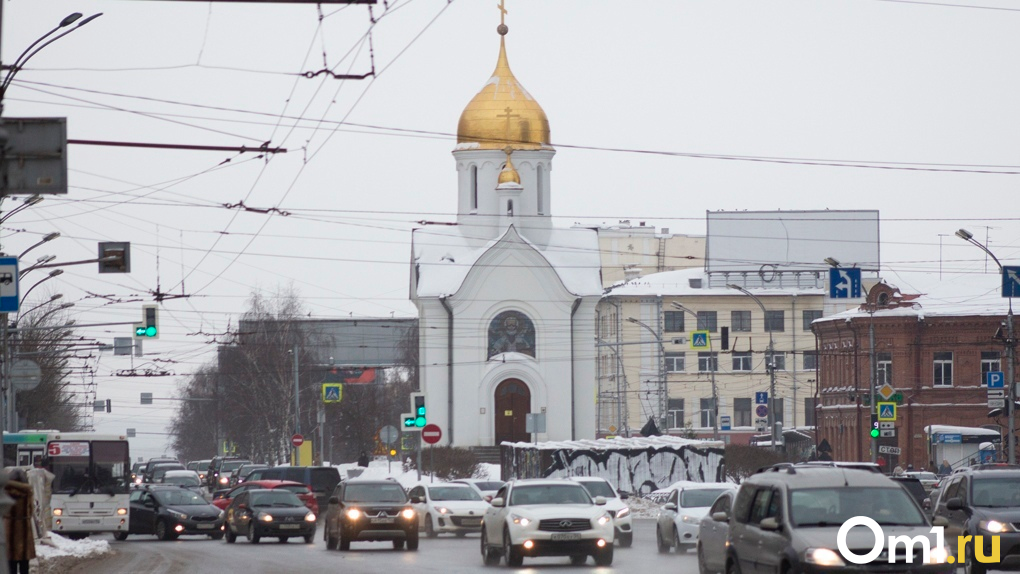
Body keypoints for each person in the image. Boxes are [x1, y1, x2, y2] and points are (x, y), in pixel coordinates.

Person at [5, 468, 36, 574]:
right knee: (24, 565)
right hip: (24, 532)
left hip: (9, 530)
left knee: (10, 564)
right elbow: (31, 511)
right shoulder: (27, 493)